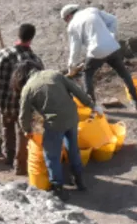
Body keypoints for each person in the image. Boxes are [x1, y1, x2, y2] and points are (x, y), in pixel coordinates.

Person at [14, 60, 92, 200]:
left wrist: (27, 130)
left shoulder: (28, 88)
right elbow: (77, 90)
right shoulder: (55, 74)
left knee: (52, 156)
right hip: (72, 117)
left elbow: (23, 116)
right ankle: (79, 180)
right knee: (73, 149)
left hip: (54, 124)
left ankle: (58, 188)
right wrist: (91, 104)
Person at [60, 4, 137, 110]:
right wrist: (112, 36)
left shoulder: (72, 25)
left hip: (96, 51)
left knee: (87, 74)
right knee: (123, 72)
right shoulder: (92, 10)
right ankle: (135, 101)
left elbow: (75, 49)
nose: (67, 22)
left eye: (66, 20)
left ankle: (91, 106)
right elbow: (113, 20)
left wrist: (72, 67)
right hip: (112, 46)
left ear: (69, 16)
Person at [0, 23, 44, 175]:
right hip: (23, 105)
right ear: (31, 38)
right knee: (22, 133)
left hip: (4, 101)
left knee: (7, 127)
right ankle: (20, 166)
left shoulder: (2, 54)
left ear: (18, 34)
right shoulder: (35, 60)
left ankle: (9, 156)